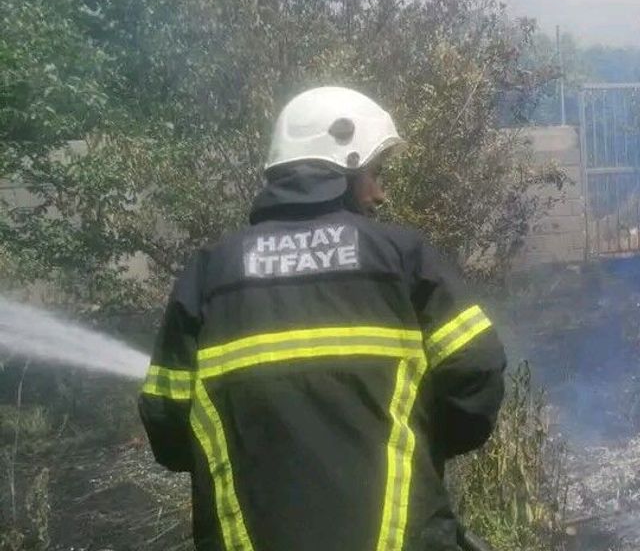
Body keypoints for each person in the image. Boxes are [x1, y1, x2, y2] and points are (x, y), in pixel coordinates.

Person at [139, 86, 506, 551]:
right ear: (344, 169)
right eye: (374, 173)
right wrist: (419, 442)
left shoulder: (209, 273)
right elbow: (476, 372)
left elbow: (167, 421)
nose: (380, 193)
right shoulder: (402, 258)